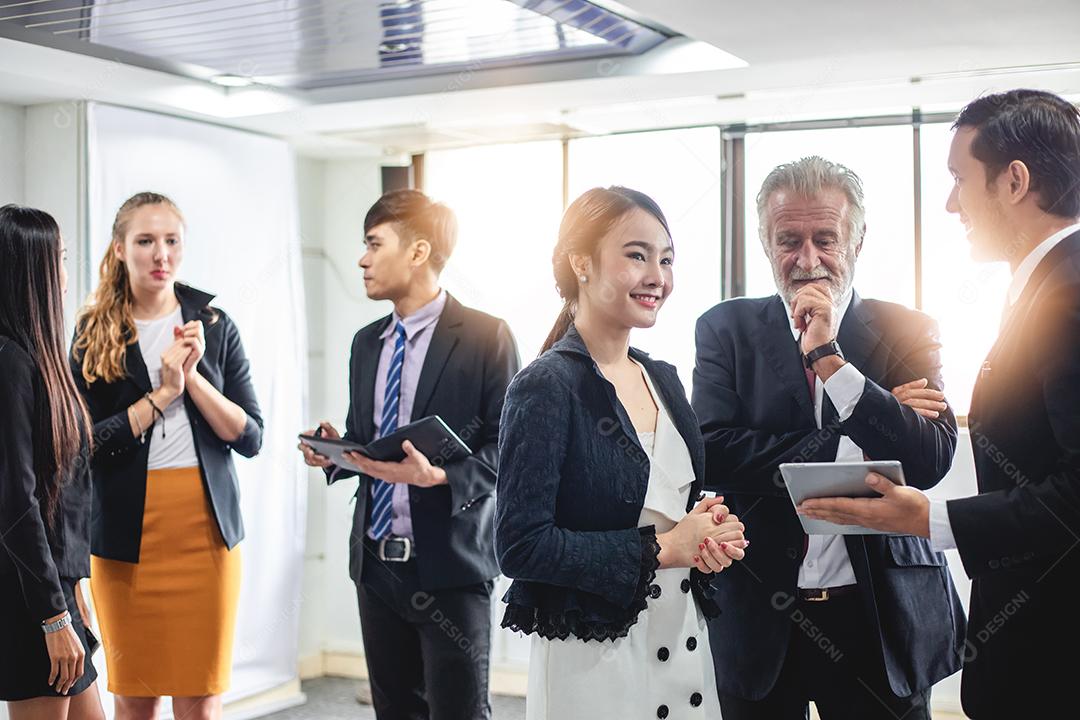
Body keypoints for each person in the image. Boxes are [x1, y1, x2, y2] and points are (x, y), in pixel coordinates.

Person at [799, 89, 1080, 719]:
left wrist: (928, 519)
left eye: (959, 178)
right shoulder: (1045, 285)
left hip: (1057, 654)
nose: (952, 203)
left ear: (1015, 180)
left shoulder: (1070, 291)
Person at [693, 157, 966, 719]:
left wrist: (831, 362)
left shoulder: (907, 330)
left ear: (858, 241)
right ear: (766, 244)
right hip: (762, 618)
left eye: (826, 238)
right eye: (788, 240)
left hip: (880, 616)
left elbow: (930, 457)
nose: (807, 259)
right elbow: (713, 452)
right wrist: (859, 437)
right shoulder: (725, 330)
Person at [495, 186, 748, 720]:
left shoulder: (664, 378)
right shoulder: (546, 386)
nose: (658, 275)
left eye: (666, 259)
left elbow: (668, 506)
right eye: (637, 255)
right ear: (581, 263)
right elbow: (521, 546)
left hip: (683, 641)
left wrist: (707, 533)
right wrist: (665, 549)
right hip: (594, 661)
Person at [298, 189, 520, 720]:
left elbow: (509, 452)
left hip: (451, 565)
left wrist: (440, 475)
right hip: (376, 568)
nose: (362, 259)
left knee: (460, 713)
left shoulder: (487, 336)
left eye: (374, 244)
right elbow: (368, 440)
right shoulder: (366, 342)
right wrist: (337, 452)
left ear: (418, 252)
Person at [70, 192, 263, 720]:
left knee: (200, 701)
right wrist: (160, 396)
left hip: (204, 533)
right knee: (135, 697)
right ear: (119, 249)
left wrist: (192, 379)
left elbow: (250, 437)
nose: (161, 254)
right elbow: (82, 446)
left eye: (171, 241)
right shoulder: (92, 335)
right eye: (146, 241)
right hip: (126, 537)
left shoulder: (215, 326)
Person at [0, 205, 104, 719]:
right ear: (32, 270)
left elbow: (60, 493)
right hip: (30, 598)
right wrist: (51, 615)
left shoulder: (40, 358)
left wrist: (74, 584)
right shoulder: (10, 364)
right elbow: (16, 504)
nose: (65, 272)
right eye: (59, 258)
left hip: (53, 589)